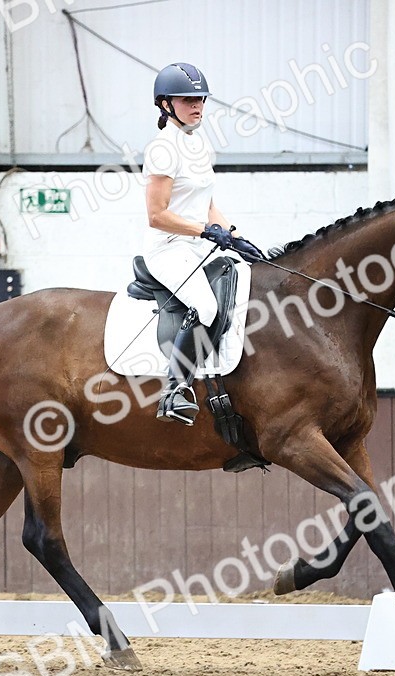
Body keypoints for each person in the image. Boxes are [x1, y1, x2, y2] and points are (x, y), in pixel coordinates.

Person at [143, 62, 264, 425]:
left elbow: (206, 203)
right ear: (166, 105)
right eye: (187, 100)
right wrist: (205, 231)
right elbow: (156, 215)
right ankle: (174, 390)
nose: (197, 106)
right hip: (168, 249)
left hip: (197, 244)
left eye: (200, 99)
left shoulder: (199, 144)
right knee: (207, 307)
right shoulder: (162, 149)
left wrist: (236, 236)